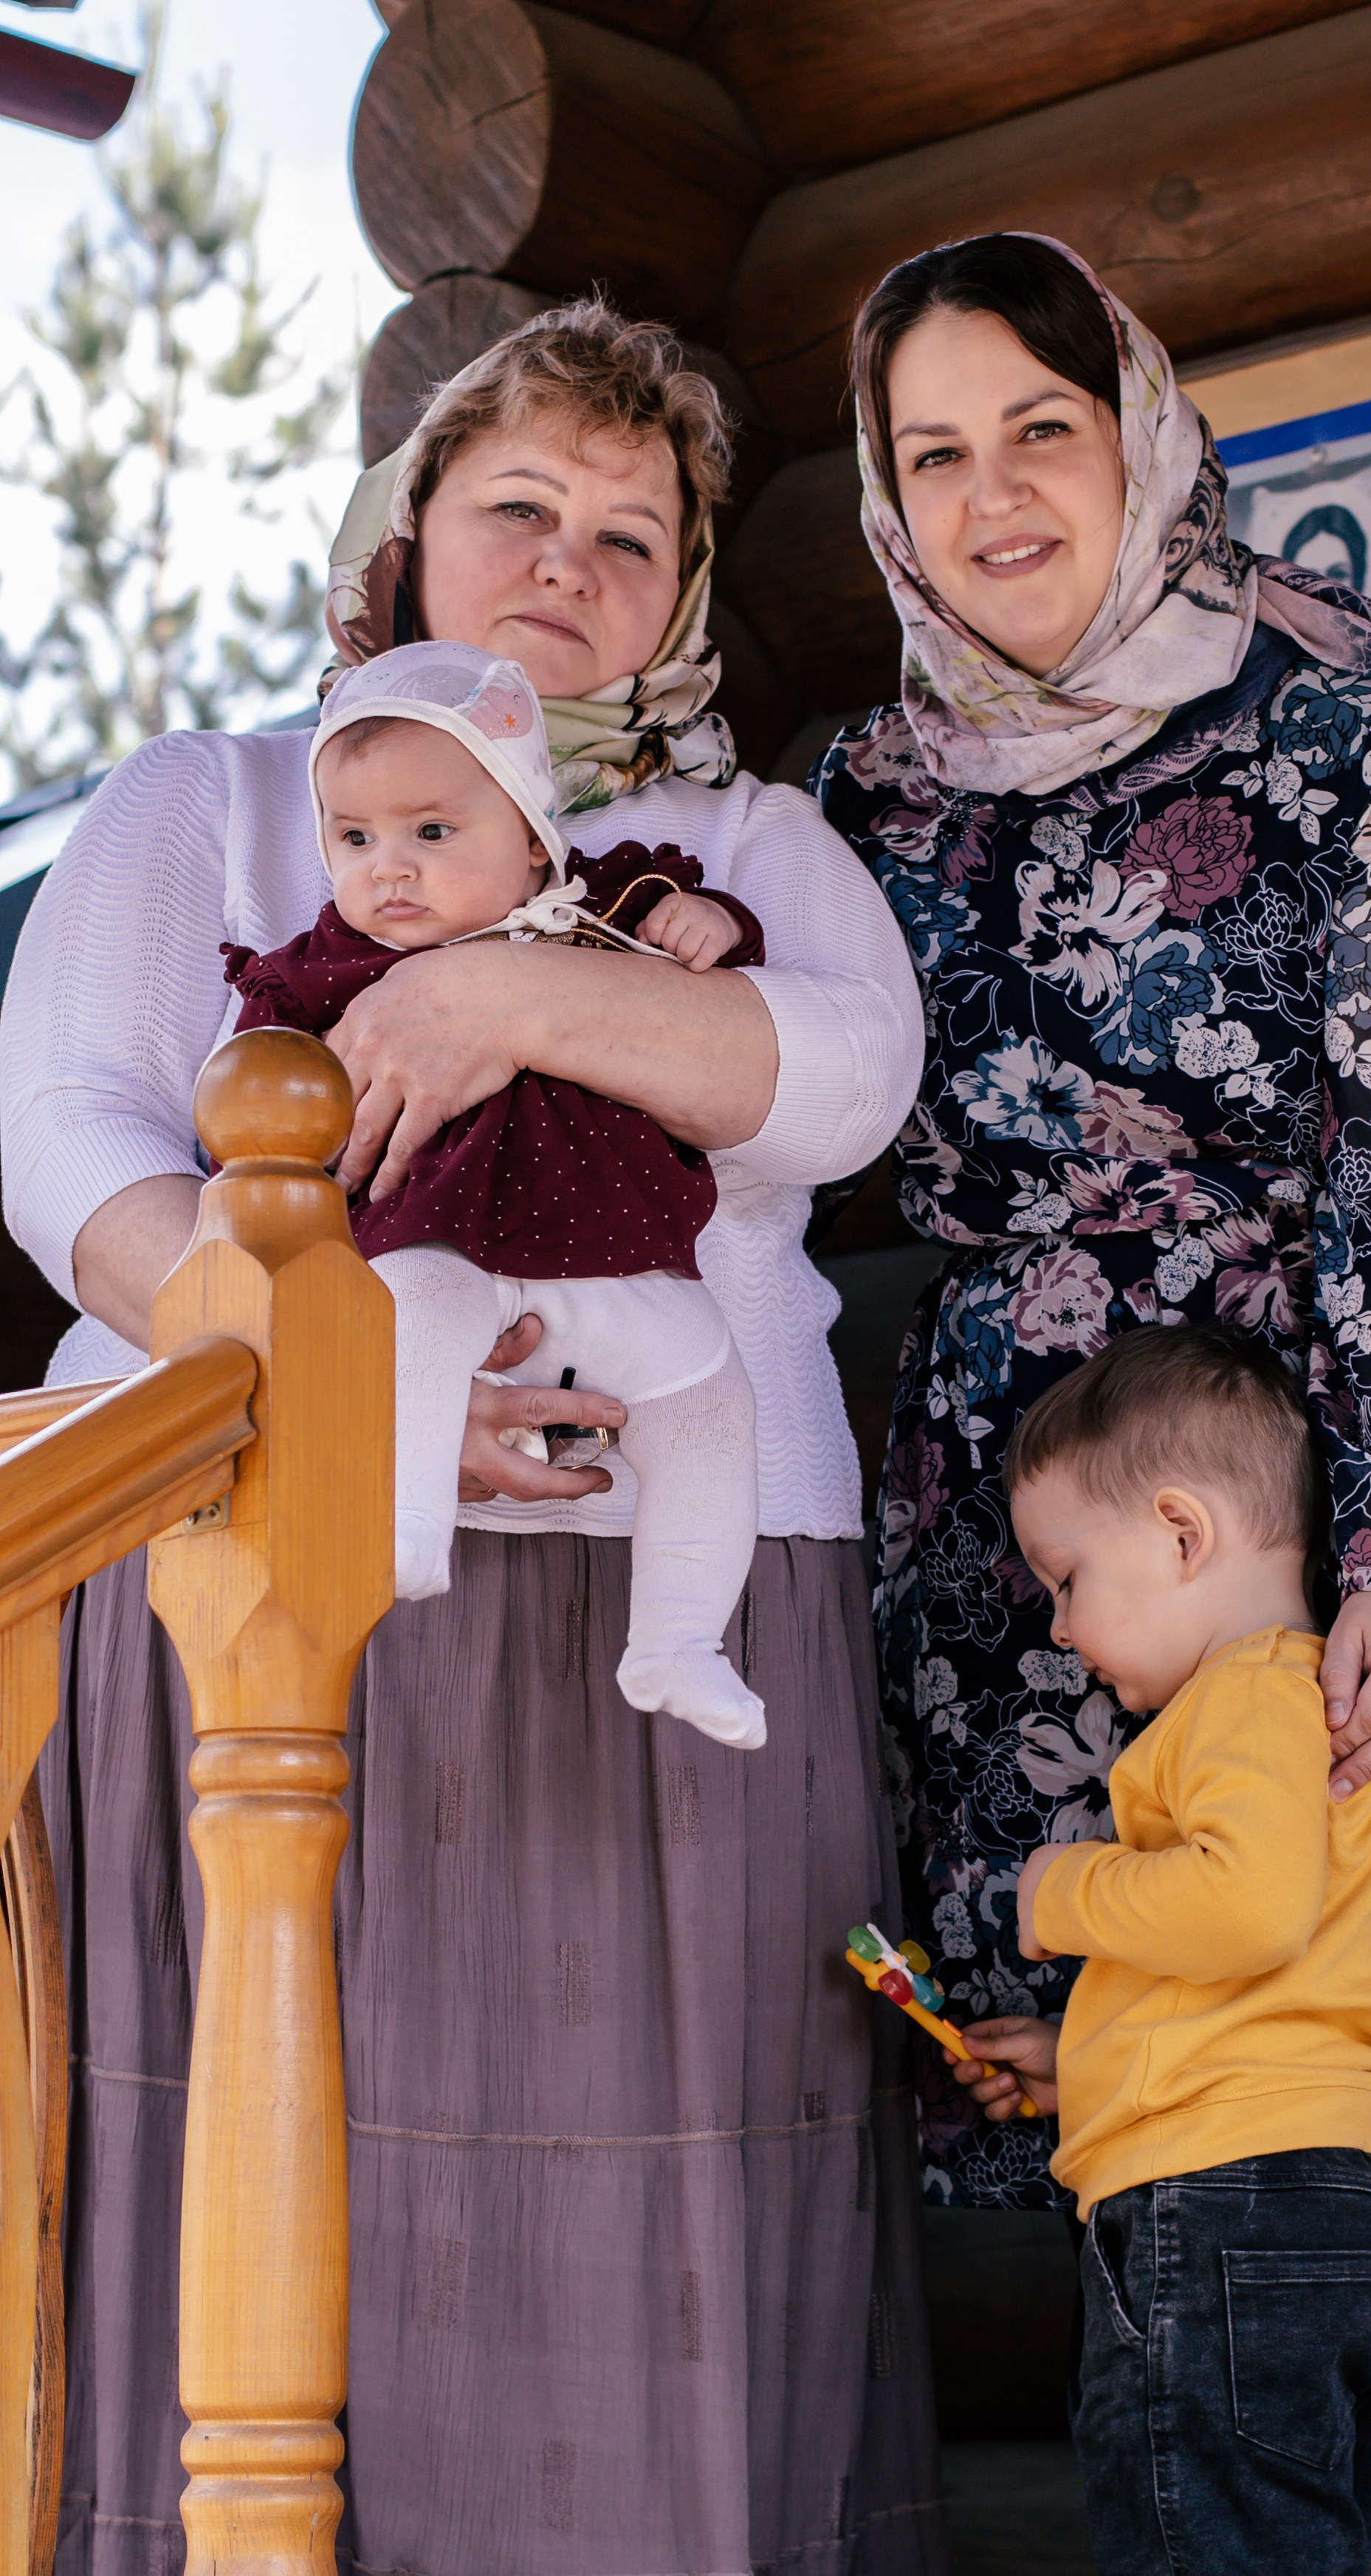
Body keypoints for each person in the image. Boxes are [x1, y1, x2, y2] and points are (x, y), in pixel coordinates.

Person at [0, 300, 942, 2576]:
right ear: (410, 529)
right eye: (519, 503)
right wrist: (317, 1389)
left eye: (634, 533)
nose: (569, 560)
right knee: (268, 2145)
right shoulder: (213, 799)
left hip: (692, 1568)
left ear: (686, 594)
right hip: (259, 1567)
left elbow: (842, 1078)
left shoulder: (743, 833)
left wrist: (510, 985)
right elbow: (72, 1137)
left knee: (658, 2146)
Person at [814, 232, 1371, 2576]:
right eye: (930, 454)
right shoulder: (860, 786)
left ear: (1139, 430)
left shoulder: (1348, 715)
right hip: (1040, 1546)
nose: (993, 497)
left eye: (1037, 429)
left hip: (1343, 1464)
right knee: (1186, 2147)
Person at [946, 1325, 1371, 2575]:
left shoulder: (1238, 1700)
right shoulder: (1346, 1727)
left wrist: (1064, 1888)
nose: (1061, 1631)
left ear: (1182, 1532)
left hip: (1226, 2215)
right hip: (1357, 2202)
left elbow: (1245, 1910)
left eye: (1066, 1579)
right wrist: (1095, 2059)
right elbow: (1301, 1978)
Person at [228, 638, 769, 1746]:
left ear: (531, 837)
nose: (391, 867)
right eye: (355, 837)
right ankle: (405, 1523)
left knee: (713, 1407)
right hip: (441, 1244)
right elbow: (255, 1076)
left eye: (432, 832)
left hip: (621, 1259)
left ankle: (679, 1641)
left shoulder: (605, 908)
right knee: (404, 1320)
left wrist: (711, 929)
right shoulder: (326, 967)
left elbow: (713, 941)